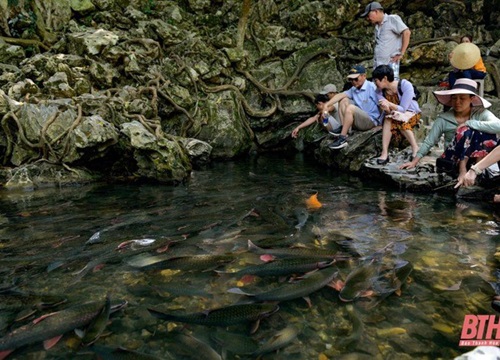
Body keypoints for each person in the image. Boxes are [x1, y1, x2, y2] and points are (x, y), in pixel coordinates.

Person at [400, 78, 500, 185]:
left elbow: (498, 125)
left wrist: (469, 123)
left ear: (472, 99)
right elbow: (429, 141)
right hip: (453, 159)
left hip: (475, 161)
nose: (457, 102)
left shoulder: (481, 113)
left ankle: (478, 170)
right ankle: (462, 171)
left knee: (485, 130)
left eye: (462, 98)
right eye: (454, 98)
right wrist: (414, 162)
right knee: (465, 130)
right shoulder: (443, 119)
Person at [323, 65, 381, 149]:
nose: (353, 81)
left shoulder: (372, 87)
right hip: (360, 120)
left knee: (350, 107)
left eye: (356, 79)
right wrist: (326, 105)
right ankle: (345, 128)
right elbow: (341, 95)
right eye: (351, 79)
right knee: (343, 99)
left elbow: (383, 105)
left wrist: (381, 123)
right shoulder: (354, 89)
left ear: (364, 76)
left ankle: (342, 138)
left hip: (370, 121)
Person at [372, 64, 421, 165]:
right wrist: (387, 109)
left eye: (376, 80)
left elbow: (403, 109)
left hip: (410, 113)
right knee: (388, 118)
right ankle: (384, 152)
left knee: (399, 118)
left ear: (385, 78)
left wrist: (389, 104)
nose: (375, 83)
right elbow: (389, 112)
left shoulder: (405, 85)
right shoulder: (379, 92)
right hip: (393, 115)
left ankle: (415, 147)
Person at [362, 1, 411, 77]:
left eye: (368, 15)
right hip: (378, 66)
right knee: (377, 87)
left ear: (376, 11)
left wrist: (401, 53)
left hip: (390, 65)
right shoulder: (377, 27)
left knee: (390, 87)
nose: (367, 18)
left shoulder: (392, 19)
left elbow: (406, 32)